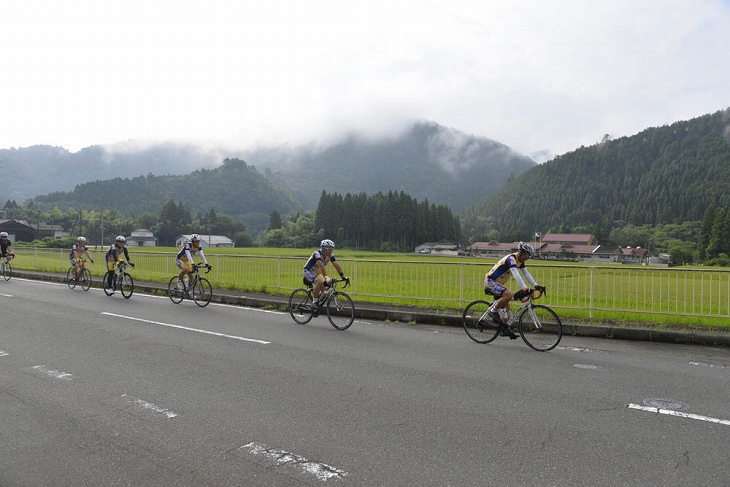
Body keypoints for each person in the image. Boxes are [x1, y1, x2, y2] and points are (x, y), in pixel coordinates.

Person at [484, 241, 545, 339]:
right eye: (527, 256)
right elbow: (516, 274)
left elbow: (526, 274)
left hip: (498, 284)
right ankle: (493, 310)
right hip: (490, 281)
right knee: (509, 295)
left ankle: (505, 328)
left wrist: (536, 285)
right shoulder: (511, 259)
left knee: (507, 305)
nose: (527, 258)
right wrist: (525, 288)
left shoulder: (520, 261)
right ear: (521, 253)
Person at [303, 239, 349, 314]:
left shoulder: (330, 256)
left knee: (326, 289)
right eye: (329, 249)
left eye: (332, 249)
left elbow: (336, 264)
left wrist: (342, 276)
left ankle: (317, 304)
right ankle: (314, 302)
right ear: (323, 248)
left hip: (317, 273)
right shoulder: (317, 254)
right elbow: (321, 266)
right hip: (308, 271)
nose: (331, 251)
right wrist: (326, 277)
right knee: (320, 282)